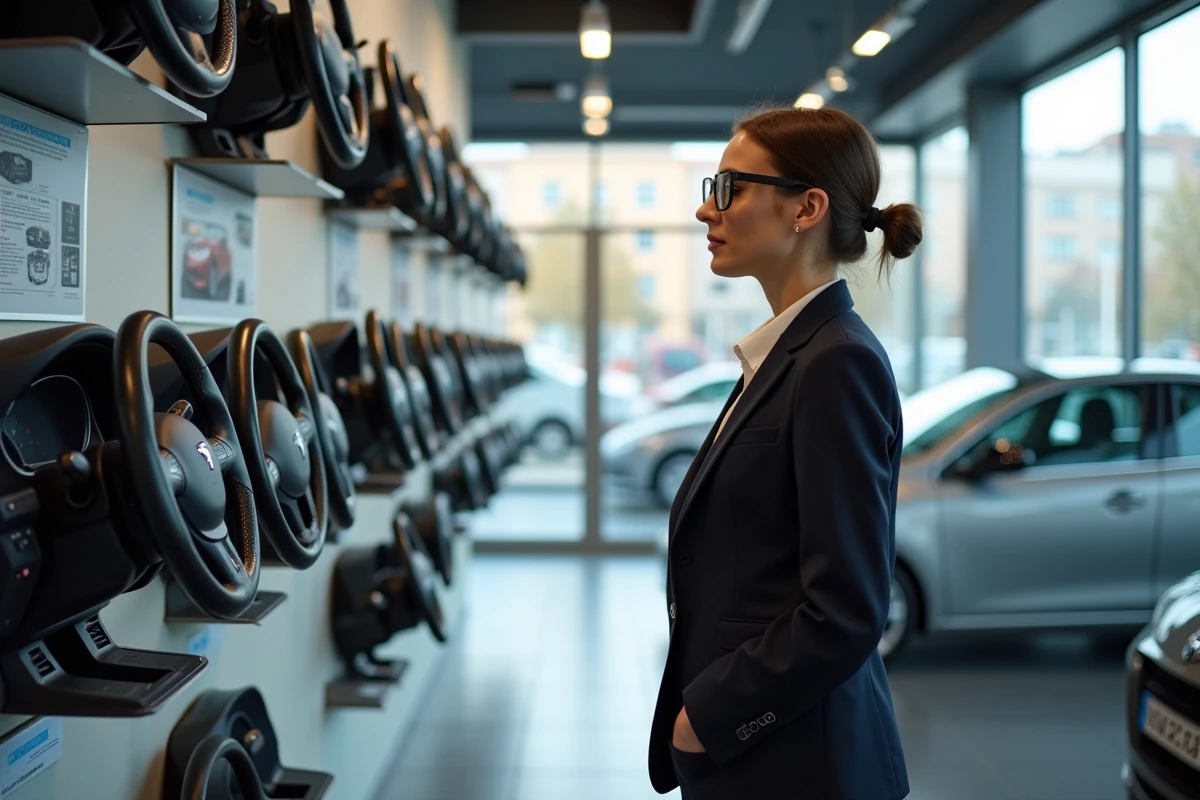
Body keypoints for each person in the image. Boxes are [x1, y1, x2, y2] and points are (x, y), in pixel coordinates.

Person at [647, 105, 921, 799]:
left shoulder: (837, 363)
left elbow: (848, 610)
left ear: (807, 208)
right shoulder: (792, 354)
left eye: (729, 186)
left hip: (799, 761)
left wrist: (705, 720)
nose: (707, 210)